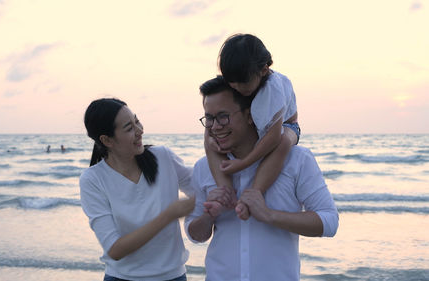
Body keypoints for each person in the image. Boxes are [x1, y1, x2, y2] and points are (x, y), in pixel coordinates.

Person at [186, 77, 338, 281]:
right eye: (209, 119)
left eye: (223, 116)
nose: (215, 127)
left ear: (250, 115)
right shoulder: (204, 167)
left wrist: (269, 215)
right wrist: (208, 216)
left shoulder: (297, 159)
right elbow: (195, 235)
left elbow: (329, 221)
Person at [79, 98, 195, 281]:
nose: (140, 131)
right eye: (129, 128)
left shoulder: (163, 157)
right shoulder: (93, 180)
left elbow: (202, 188)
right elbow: (115, 249)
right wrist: (168, 215)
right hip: (121, 277)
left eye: (137, 121)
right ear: (107, 140)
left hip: (173, 276)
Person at [204, 33, 300, 220]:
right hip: (259, 126)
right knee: (208, 140)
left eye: (242, 83)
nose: (237, 87)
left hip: (287, 126)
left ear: (263, 70)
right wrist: (210, 137)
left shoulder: (273, 90)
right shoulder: (239, 77)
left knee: (282, 144)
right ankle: (226, 192)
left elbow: (273, 137)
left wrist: (244, 162)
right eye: (232, 82)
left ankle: (253, 195)